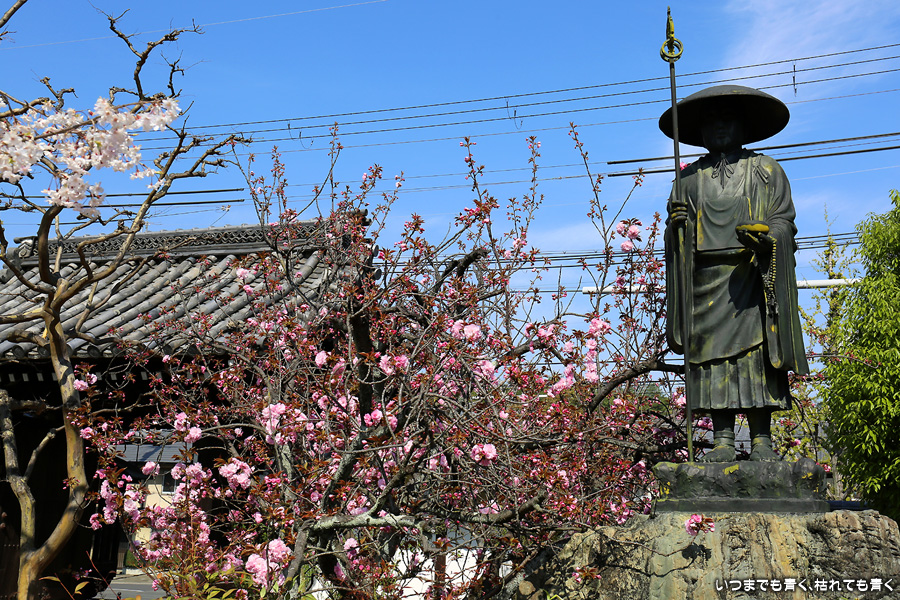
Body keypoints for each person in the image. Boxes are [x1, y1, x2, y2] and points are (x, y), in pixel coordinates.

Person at [660, 85, 809, 462]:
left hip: (752, 277)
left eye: (728, 120)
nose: (720, 127)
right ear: (701, 132)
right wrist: (677, 228)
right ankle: (722, 438)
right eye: (711, 122)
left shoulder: (766, 171)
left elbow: (784, 221)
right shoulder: (687, 180)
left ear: (745, 126)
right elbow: (676, 238)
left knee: (757, 358)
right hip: (705, 284)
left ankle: (762, 439)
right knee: (711, 361)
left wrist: (768, 237)